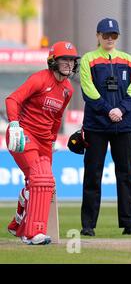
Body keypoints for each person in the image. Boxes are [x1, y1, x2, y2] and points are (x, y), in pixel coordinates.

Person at [5, 41, 79, 245]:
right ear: (53, 61)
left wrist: (53, 141)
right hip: (23, 134)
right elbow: (12, 100)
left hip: (45, 140)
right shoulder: (39, 79)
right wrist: (14, 124)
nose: (69, 64)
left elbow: (56, 119)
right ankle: (33, 234)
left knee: (44, 184)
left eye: (72, 60)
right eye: (64, 59)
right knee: (40, 179)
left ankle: (17, 223)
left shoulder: (68, 90)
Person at [79, 17, 131, 236]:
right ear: (97, 36)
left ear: (118, 37)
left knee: (126, 174)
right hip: (96, 125)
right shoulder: (88, 60)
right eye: (105, 35)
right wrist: (109, 110)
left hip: (123, 126)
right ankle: (88, 225)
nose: (109, 39)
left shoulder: (129, 60)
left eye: (113, 35)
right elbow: (88, 91)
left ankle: (129, 224)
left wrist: (121, 110)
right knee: (93, 174)